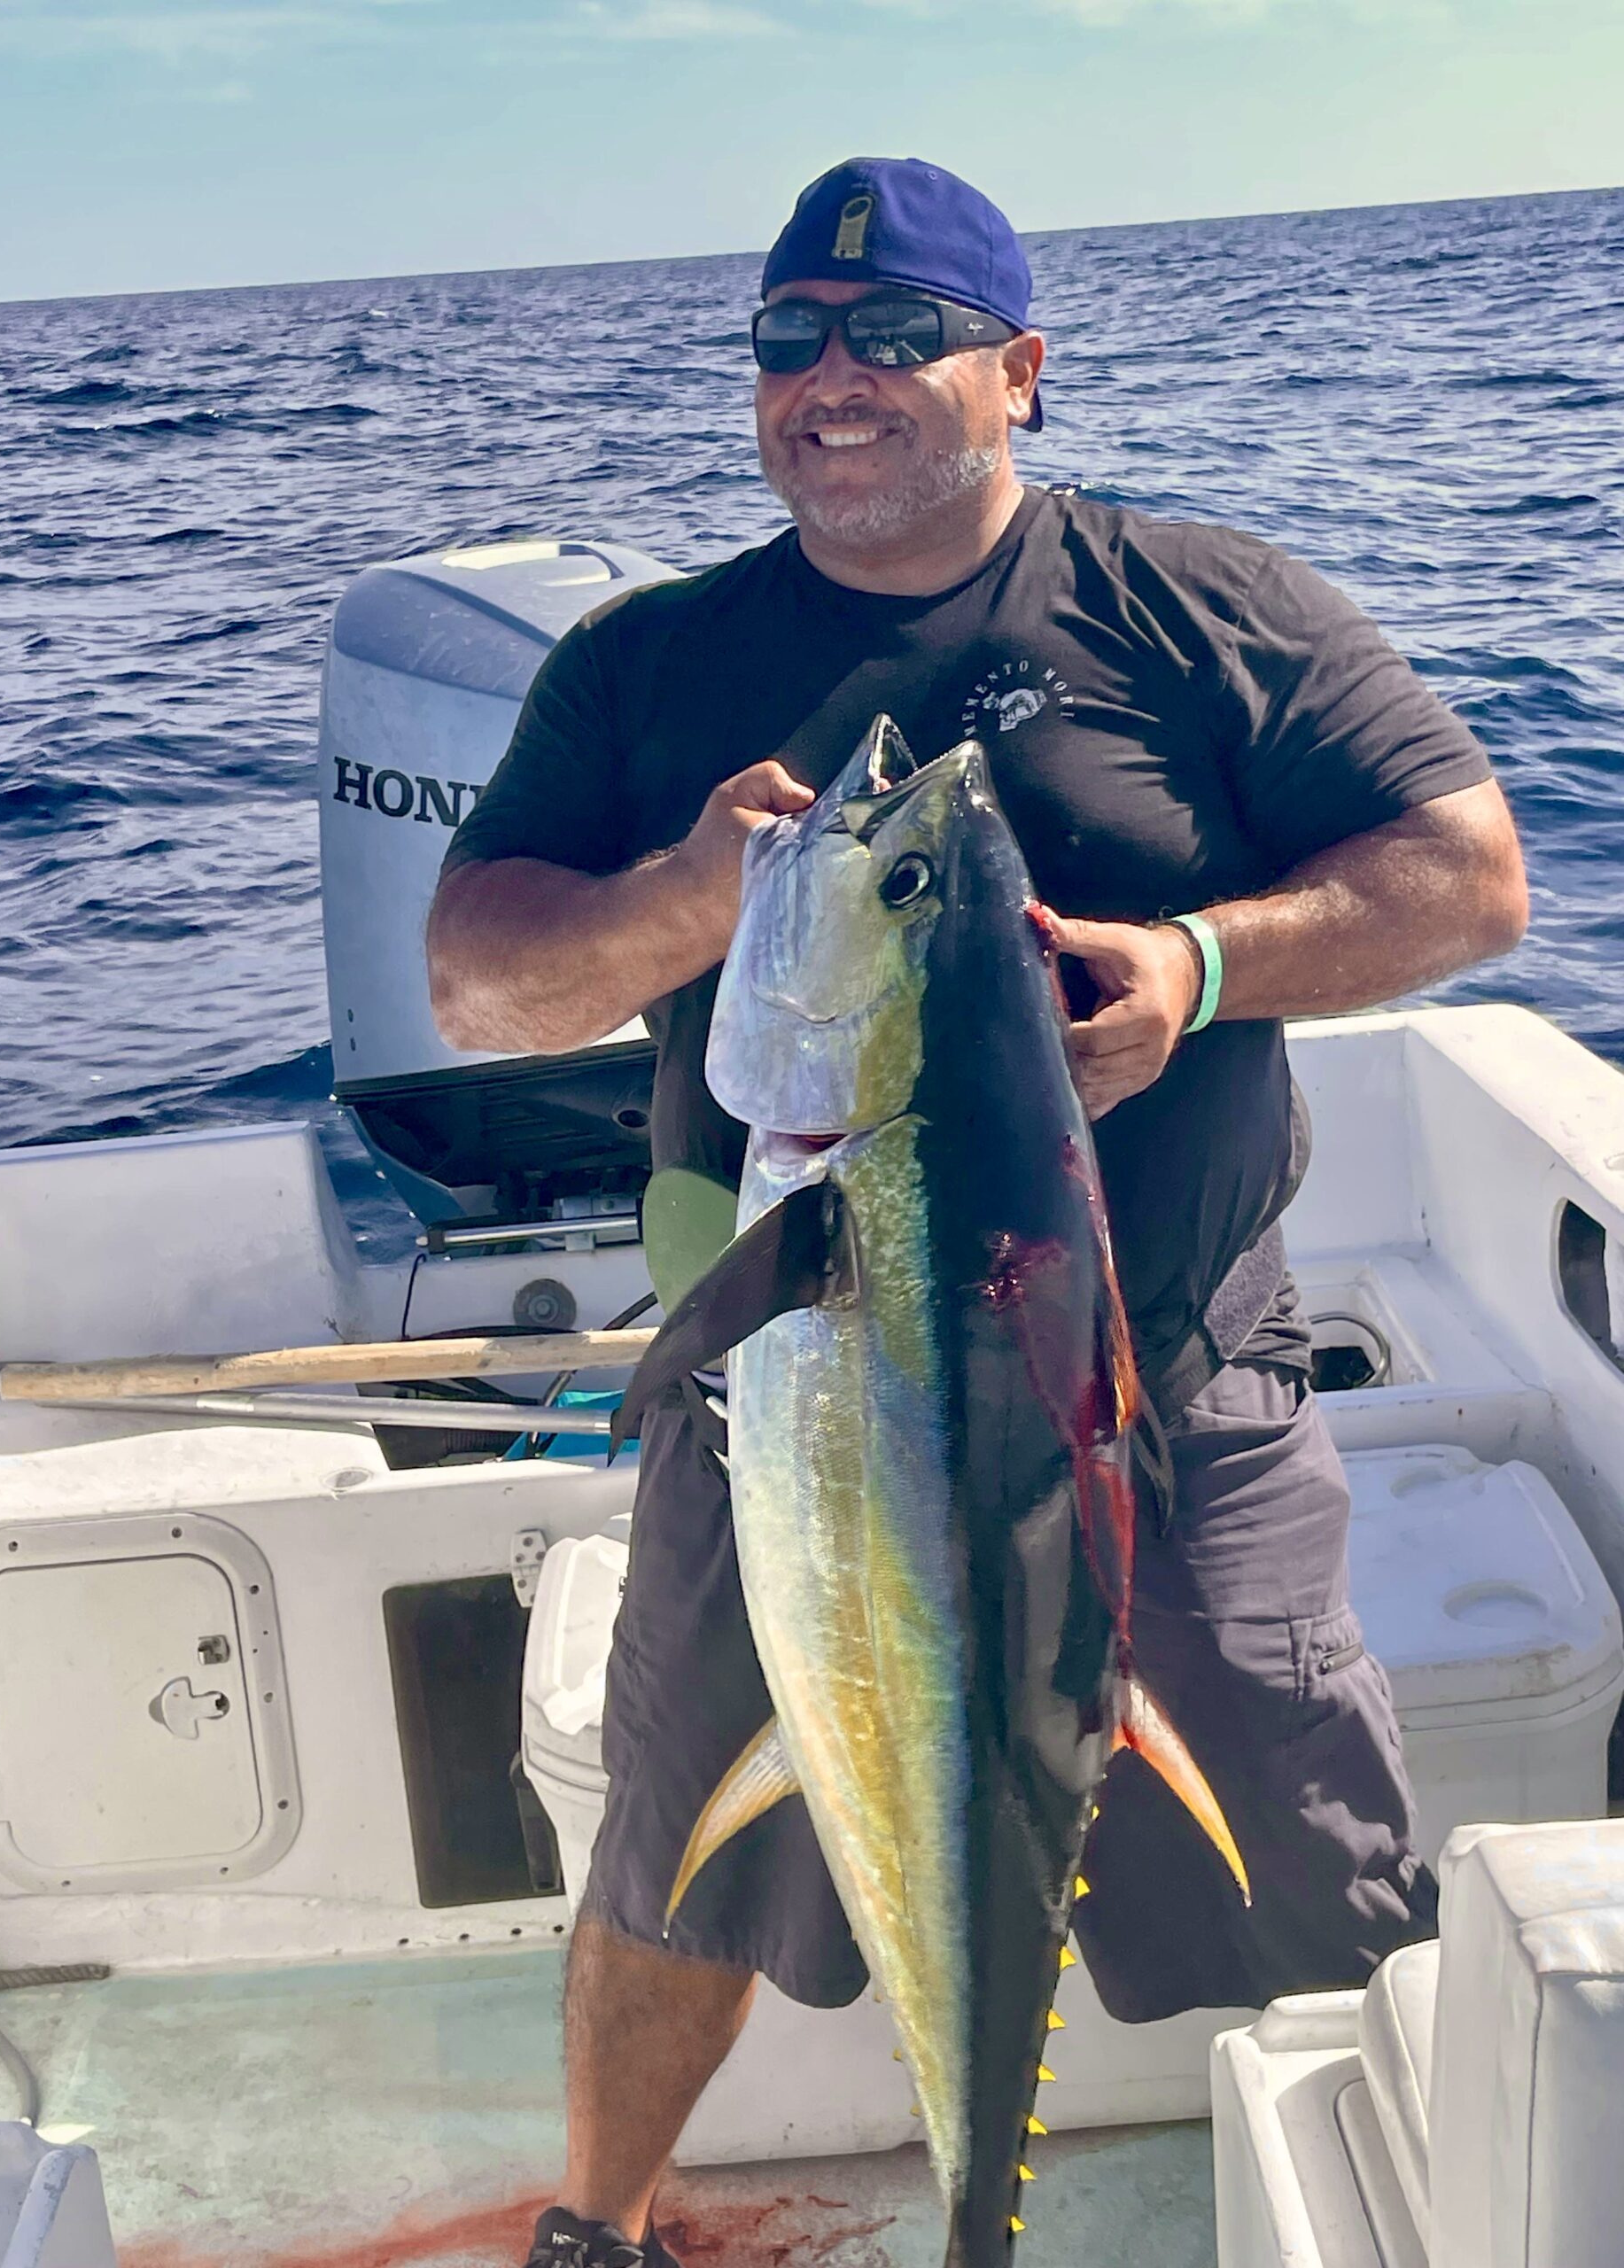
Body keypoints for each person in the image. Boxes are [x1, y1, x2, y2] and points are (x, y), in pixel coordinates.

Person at [426, 157, 1529, 2268]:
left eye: (894, 334)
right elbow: (480, 984)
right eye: (787, 337)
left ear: (1020, 368)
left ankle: (1439, 2205)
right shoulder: (648, 663)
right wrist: (694, 896)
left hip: (1165, 1389)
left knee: (1304, 1839)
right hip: (792, 1396)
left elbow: (1471, 876)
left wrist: (1198, 961)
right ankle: (599, 2226)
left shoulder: (1202, 607)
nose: (830, 375)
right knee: (680, 1854)